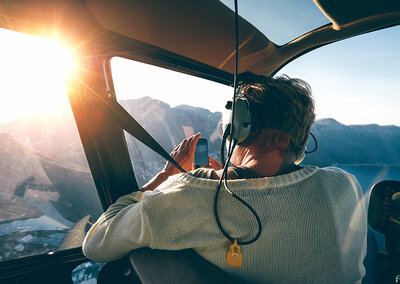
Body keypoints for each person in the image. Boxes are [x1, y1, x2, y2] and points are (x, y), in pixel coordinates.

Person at [83, 75, 367, 283]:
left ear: (238, 126)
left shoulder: (198, 193)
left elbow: (96, 243)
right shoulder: (344, 184)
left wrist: (165, 177)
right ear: (302, 138)